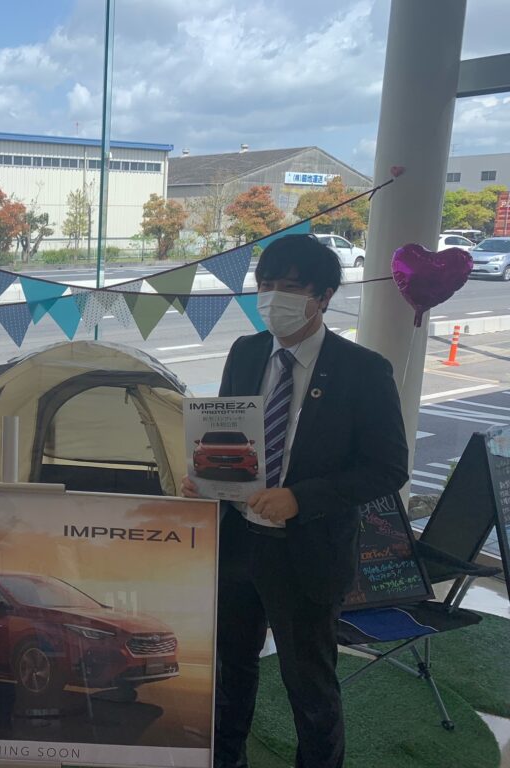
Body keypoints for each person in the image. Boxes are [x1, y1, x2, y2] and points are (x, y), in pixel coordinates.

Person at [182, 235, 408, 768]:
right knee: (230, 670)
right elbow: (228, 434)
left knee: (309, 684)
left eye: (289, 287)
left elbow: (389, 468)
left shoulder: (362, 369)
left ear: (323, 296)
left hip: (307, 552)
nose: (273, 298)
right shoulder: (246, 352)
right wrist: (207, 479)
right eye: (265, 285)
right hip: (236, 543)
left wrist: (300, 499)